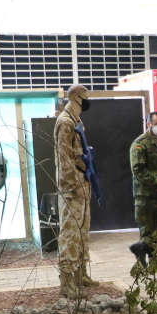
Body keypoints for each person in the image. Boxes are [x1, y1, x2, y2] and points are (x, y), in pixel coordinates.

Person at [55, 84, 95, 298]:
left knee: (82, 232)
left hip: (83, 183)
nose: (89, 99)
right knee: (70, 233)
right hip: (72, 187)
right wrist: (72, 184)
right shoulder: (65, 122)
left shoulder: (76, 120)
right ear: (76, 97)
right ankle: (67, 281)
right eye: (86, 95)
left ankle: (81, 274)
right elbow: (64, 159)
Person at [128, 111, 157, 267]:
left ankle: (154, 257)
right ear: (148, 124)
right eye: (156, 123)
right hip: (145, 195)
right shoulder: (140, 144)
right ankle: (139, 249)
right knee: (147, 228)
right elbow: (138, 170)